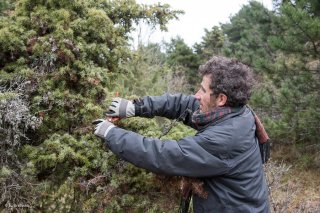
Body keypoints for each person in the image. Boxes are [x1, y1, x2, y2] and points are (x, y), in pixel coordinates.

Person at [93, 56, 270, 212]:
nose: (196, 95)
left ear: (221, 99)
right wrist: (135, 107)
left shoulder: (225, 139)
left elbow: (164, 155)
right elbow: (182, 104)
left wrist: (111, 134)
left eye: (203, 90)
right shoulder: (235, 113)